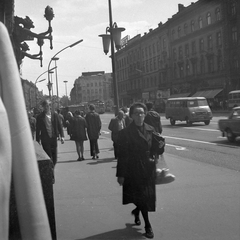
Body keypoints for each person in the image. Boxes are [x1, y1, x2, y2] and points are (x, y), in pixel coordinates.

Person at [117, 102, 162, 239]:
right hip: (133, 169)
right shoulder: (125, 133)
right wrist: (121, 174)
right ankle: (147, 225)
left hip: (148, 168)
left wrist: (160, 146)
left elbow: (156, 149)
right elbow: (122, 155)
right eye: (136, 113)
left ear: (145, 114)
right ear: (131, 116)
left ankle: (137, 211)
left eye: (142, 113)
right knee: (142, 196)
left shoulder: (150, 129)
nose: (140, 116)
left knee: (146, 196)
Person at [36, 99, 64, 167]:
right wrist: (37, 140)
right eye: (45, 106)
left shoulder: (55, 115)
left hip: (53, 138)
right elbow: (38, 129)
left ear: (50, 106)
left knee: (54, 158)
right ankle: (50, 171)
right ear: (43, 107)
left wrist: (62, 136)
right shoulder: (40, 117)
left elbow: (59, 126)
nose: (46, 107)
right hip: (45, 139)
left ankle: (52, 168)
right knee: (48, 156)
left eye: (47, 106)